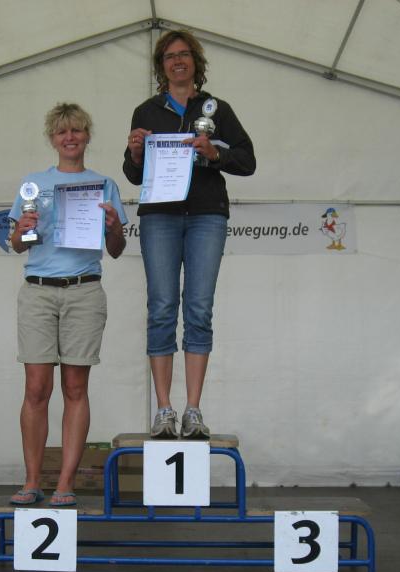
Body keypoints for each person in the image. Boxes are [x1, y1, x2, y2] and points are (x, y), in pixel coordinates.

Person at [123, 30, 256, 439]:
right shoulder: (146, 111)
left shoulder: (218, 109)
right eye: (169, 56)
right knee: (162, 308)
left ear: (196, 62)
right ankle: (164, 410)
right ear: (160, 66)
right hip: (160, 216)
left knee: (198, 309)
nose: (177, 61)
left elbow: (247, 161)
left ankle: (193, 409)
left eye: (184, 54)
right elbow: (132, 173)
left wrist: (215, 154)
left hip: (206, 216)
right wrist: (135, 152)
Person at [9, 102, 127, 506]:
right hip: (38, 290)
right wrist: (23, 231)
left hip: (84, 290)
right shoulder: (33, 184)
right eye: (62, 132)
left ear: (87, 136)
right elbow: (16, 244)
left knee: (76, 387)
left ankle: (65, 483)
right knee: (36, 388)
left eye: (76, 130)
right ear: (52, 139)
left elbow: (116, 249)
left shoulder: (104, 184)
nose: (70, 138)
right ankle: (31, 481)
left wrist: (114, 228)